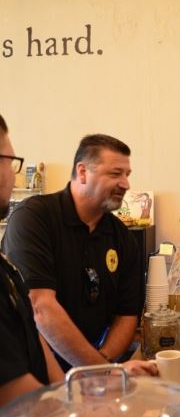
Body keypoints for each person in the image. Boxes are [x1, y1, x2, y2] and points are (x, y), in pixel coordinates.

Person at [2, 133, 153, 372]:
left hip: (92, 363)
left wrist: (101, 362)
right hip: (30, 368)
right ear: (82, 172)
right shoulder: (33, 218)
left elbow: (126, 315)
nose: (126, 184)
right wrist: (100, 372)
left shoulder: (122, 237)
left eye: (127, 174)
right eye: (116, 174)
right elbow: (40, 306)